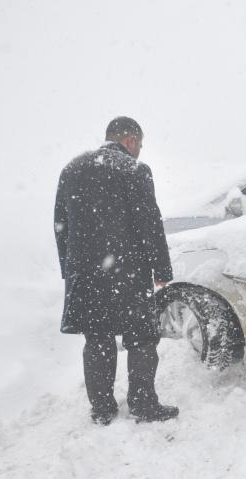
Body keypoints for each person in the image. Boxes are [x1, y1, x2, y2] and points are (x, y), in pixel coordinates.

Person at [54, 116, 179, 426]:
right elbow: (150, 224)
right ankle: (142, 404)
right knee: (142, 339)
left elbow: (61, 227)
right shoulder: (134, 171)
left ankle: (102, 409)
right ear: (130, 141)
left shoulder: (71, 170)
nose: (139, 151)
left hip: (85, 277)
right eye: (140, 145)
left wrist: (68, 271)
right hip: (128, 275)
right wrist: (161, 269)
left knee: (97, 340)